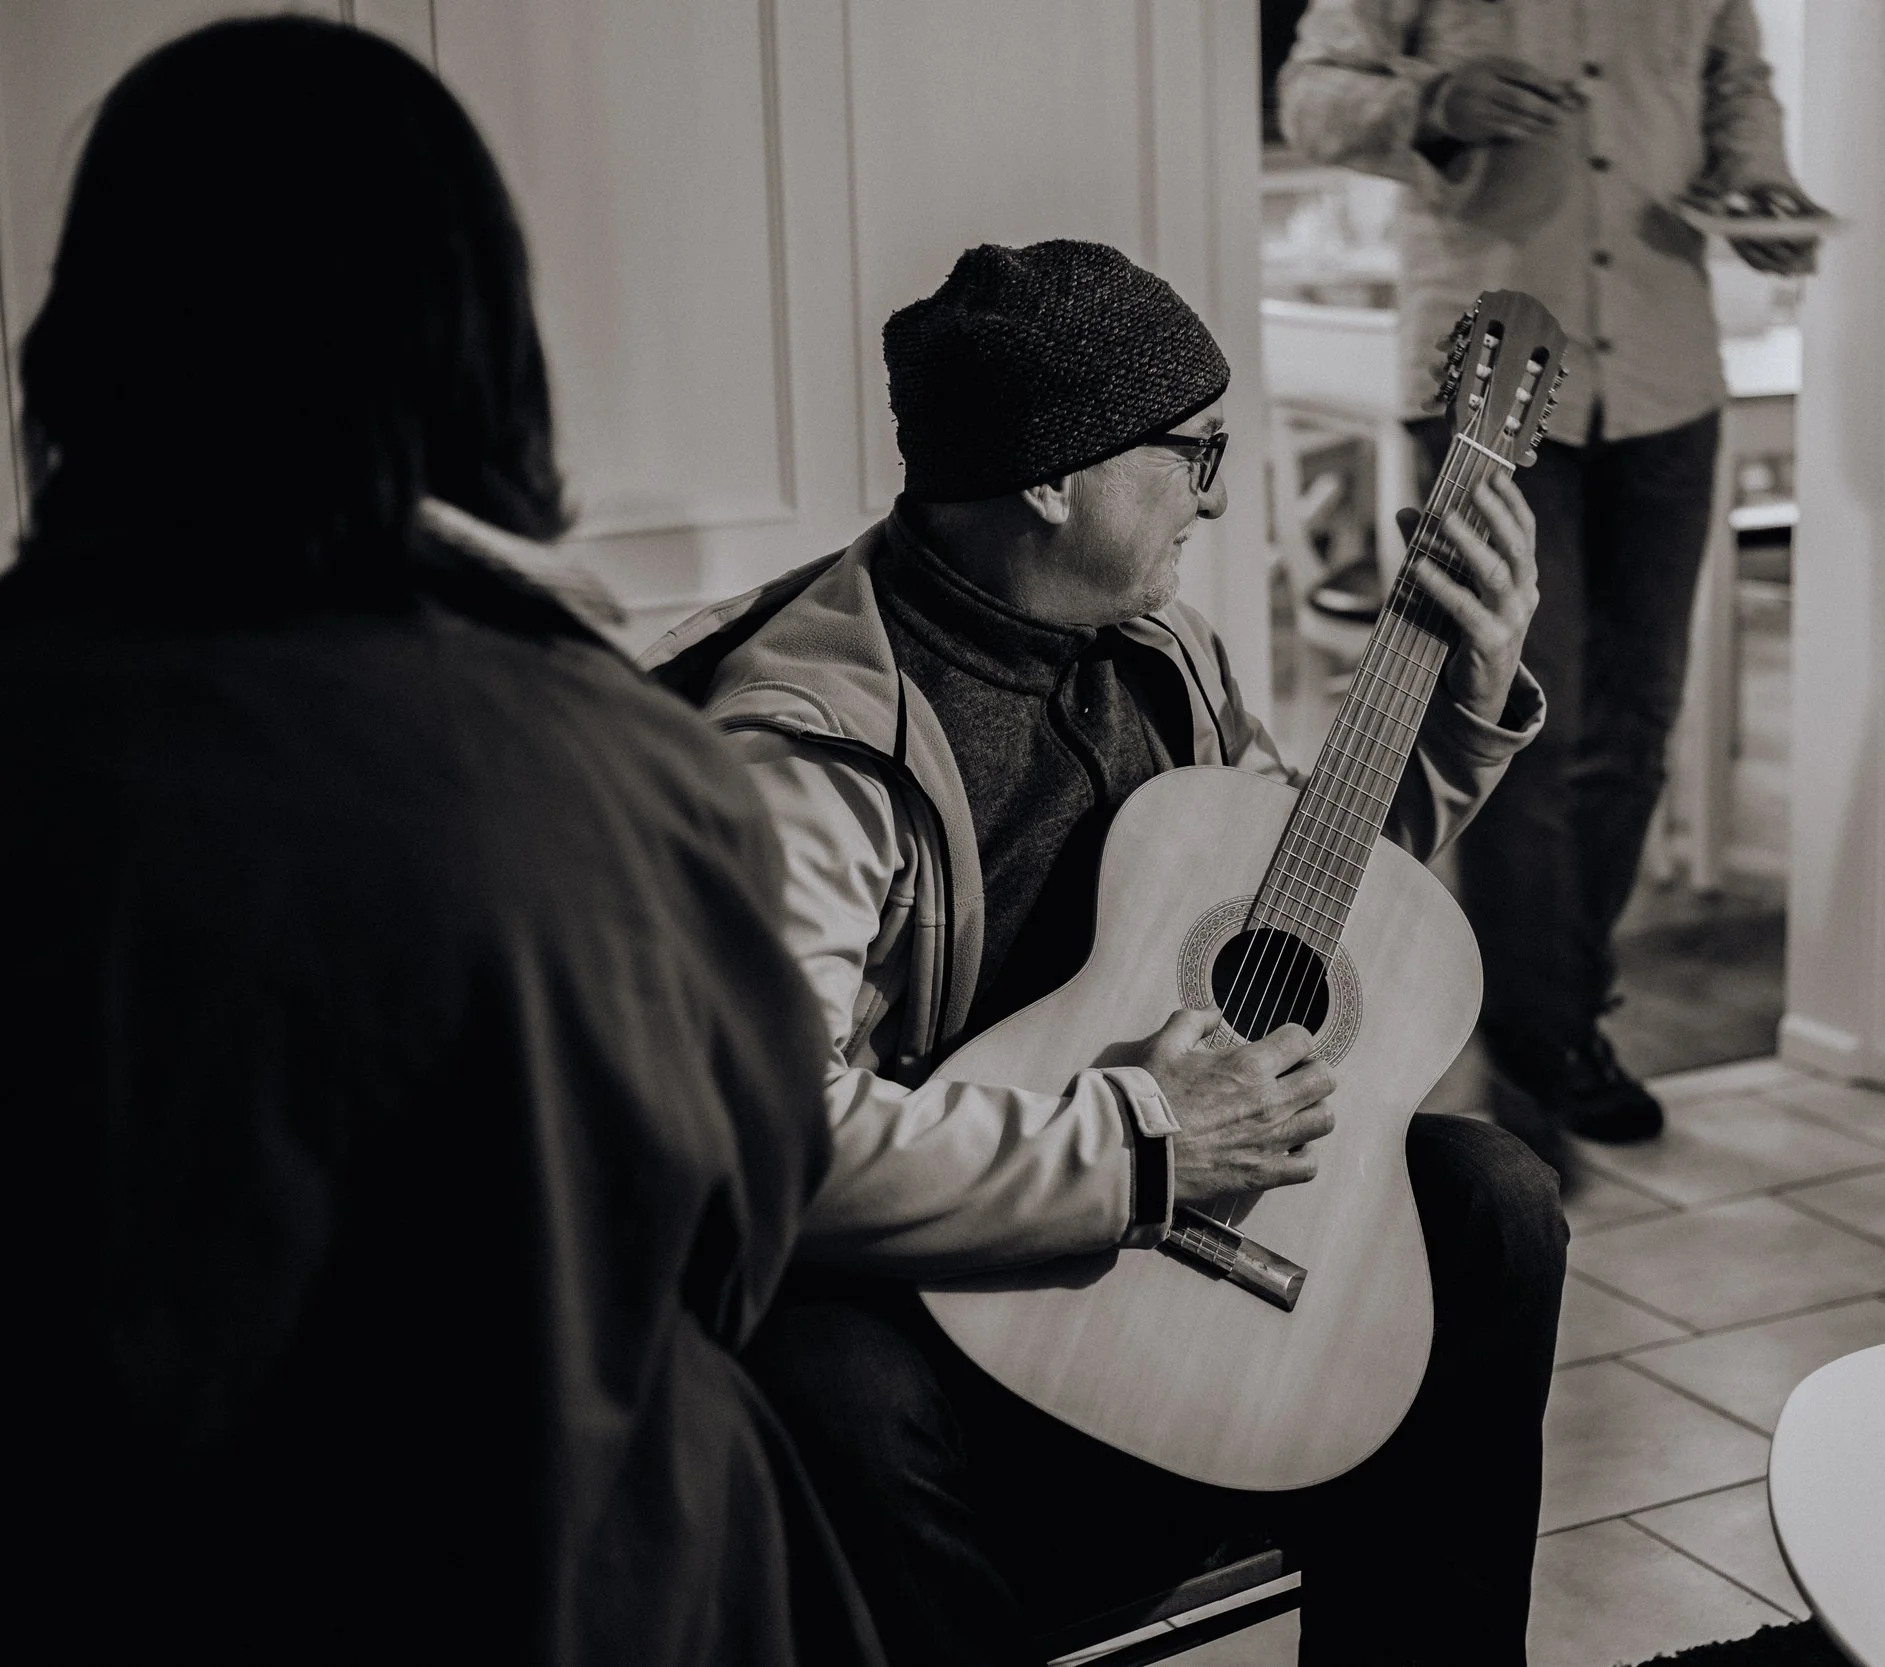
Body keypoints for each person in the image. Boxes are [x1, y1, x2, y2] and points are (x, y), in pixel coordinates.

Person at [0, 19, 878, 1664]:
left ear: (85, 347)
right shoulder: (632, 770)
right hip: (575, 1580)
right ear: (482, 349)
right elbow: (728, 1248)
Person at [644, 239, 1569, 1666]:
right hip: (952, 1296)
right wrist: (1140, 1140)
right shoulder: (807, 747)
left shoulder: (1159, 647)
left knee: (1493, 1194)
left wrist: (1467, 694)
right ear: (1052, 481)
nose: (1218, 497)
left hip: (1161, 1224)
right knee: (819, 1375)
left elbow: (1305, 896)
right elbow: (770, 1134)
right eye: (1193, 455)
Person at [1280, 0, 1818, 1150]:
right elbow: (1309, 93)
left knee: (1638, 722)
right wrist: (1432, 101)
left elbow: (1735, 89)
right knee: (1524, 721)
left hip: (1668, 377)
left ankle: (1558, 1012)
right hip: (1489, 388)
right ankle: (1536, 1043)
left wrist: (1760, 190)